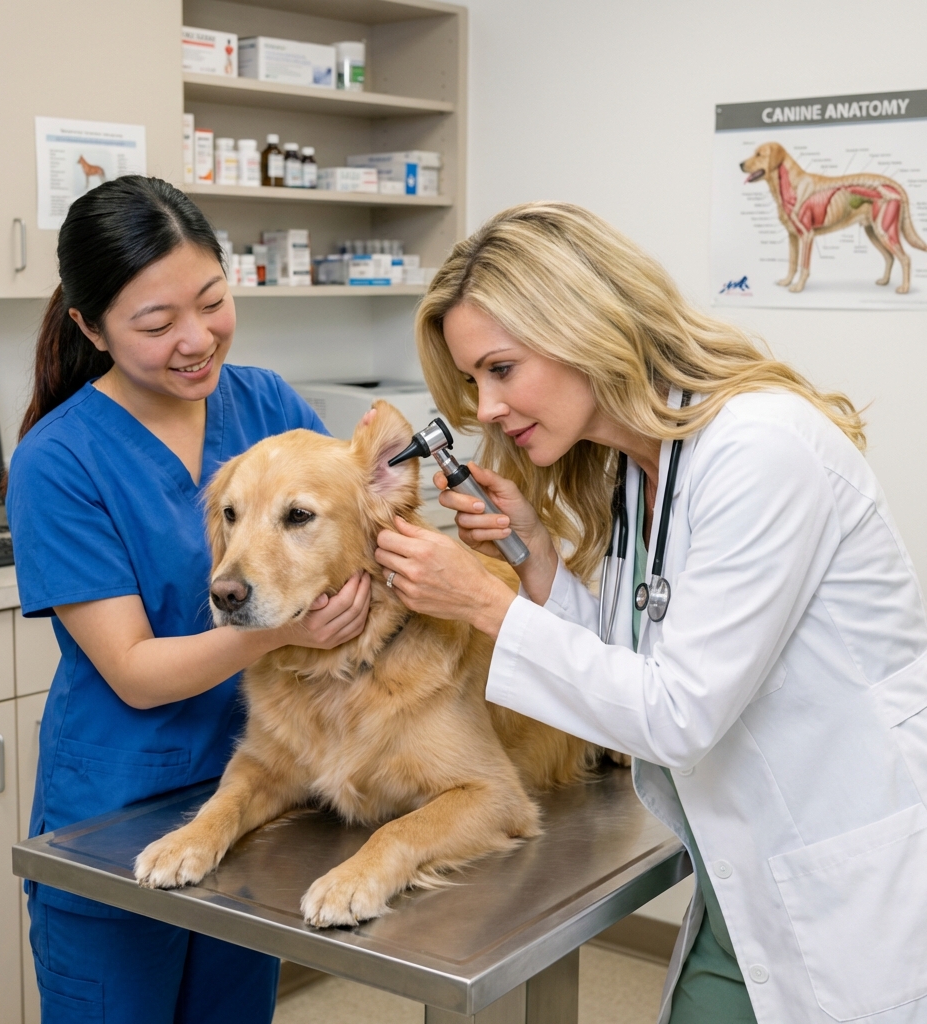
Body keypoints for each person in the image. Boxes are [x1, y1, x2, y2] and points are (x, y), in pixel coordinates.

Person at [373, 202, 927, 1023]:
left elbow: (677, 714)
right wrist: (533, 556)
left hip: (853, 897)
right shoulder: (643, 470)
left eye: (500, 369)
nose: (484, 409)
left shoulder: (758, 448)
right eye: (472, 383)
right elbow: (636, 662)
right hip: (748, 887)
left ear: (583, 327)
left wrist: (485, 601)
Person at [7, 176, 371, 1024]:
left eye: (211, 301)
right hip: (120, 808)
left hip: (258, 797)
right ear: (90, 328)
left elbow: (352, 535)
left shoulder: (267, 403)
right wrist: (286, 634)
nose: (197, 339)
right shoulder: (58, 461)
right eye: (156, 323)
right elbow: (133, 671)